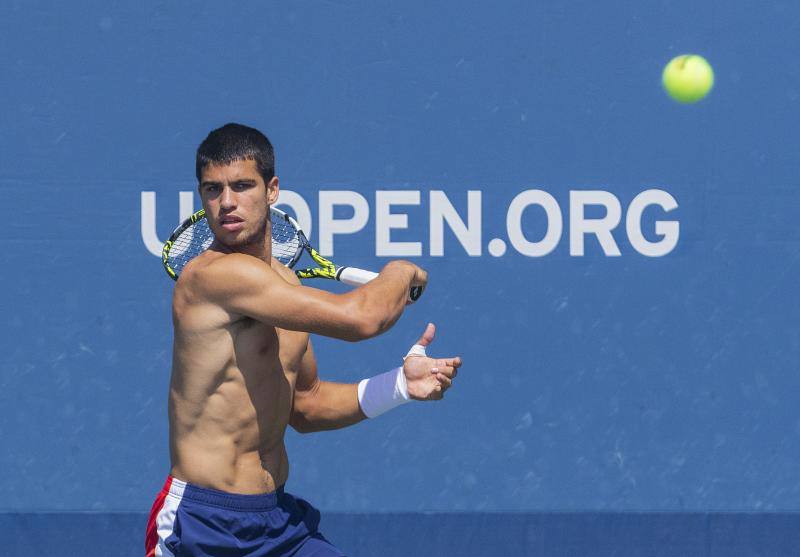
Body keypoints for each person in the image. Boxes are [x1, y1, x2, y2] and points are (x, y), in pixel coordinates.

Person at [145, 123, 462, 556]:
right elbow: (363, 319)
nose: (227, 203)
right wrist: (400, 271)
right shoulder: (213, 276)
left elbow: (307, 405)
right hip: (205, 525)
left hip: (275, 524)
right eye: (212, 190)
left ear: (272, 190)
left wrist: (401, 387)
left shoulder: (285, 285)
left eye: (242, 186)